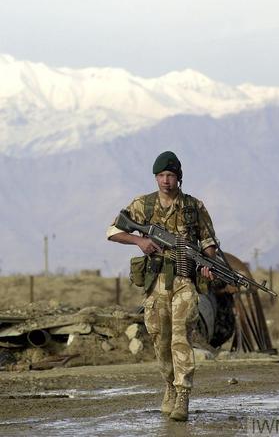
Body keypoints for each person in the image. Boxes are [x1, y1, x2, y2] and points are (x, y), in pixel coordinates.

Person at [106, 151, 216, 421]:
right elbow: (113, 231)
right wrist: (139, 241)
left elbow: (210, 244)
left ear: (179, 177)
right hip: (156, 284)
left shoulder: (194, 207)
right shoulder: (143, 205)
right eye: (161, 176)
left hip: (184, 282)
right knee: (161, 340)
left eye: (171, 175)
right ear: (156, 177)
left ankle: (182, 395)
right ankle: (169, 385)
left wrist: (208, 264)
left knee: (181, 337)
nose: (166, 180)